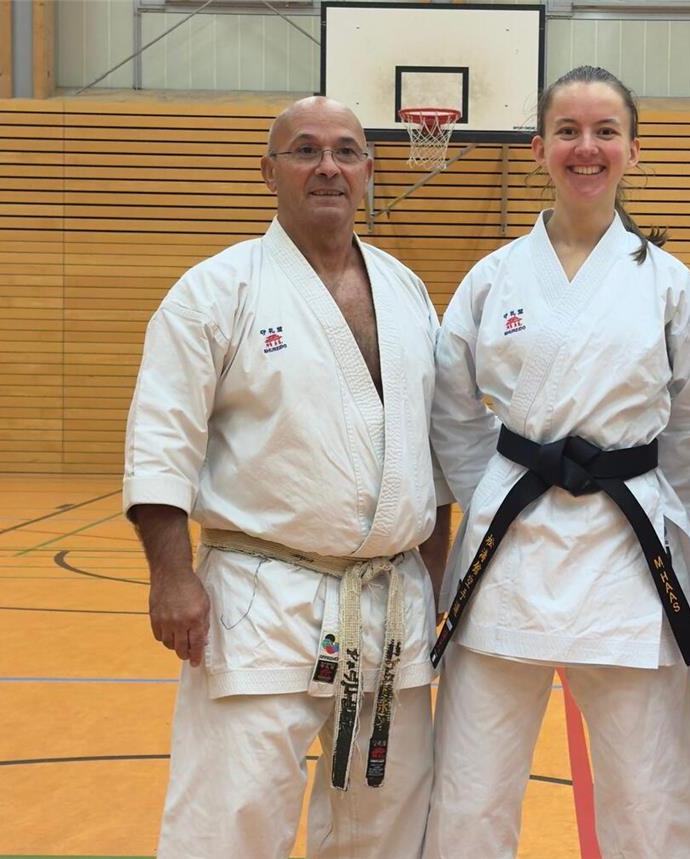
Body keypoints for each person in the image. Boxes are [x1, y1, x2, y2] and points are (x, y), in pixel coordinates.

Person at [123, 96, 451, 859]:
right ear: (269, 171)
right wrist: (172, 576)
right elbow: (161, 438)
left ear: (370, 170)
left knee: (386, 826)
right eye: (305, 150)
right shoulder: (216, 290)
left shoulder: (406, 291)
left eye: (347, 150)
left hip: (389, 606)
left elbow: (431, 458)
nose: (328, 166)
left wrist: (429, 583)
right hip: (259, 598)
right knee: (230, 820)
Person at [422, 66, 690, 859]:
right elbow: (452, 409)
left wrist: (651, 493)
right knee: (470, 791)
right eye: (567, 131)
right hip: (509, 550)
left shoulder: (668, 284)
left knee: (648, 794)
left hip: (625, 558)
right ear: (537, 149)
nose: (585, 148)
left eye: (604, 132)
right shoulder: (493, 279)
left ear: (631, 149)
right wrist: (492, 490)